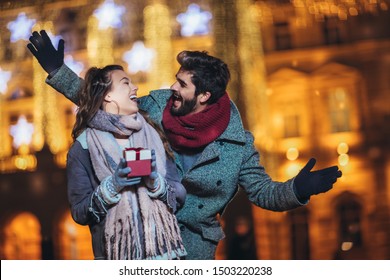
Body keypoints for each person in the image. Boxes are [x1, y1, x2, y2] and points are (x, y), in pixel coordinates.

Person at [27, 30, 342, 260]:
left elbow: (263, 192)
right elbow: (105, 103)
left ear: (203, 96)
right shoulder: (156, 107)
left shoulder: (237, 145)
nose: (172, 88)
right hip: (143, 238)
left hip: (192, 249)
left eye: (182, 84)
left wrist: (298, 190)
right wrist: (58, 71)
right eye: (176, 79)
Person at [60, 64, 186, 259]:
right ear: (107, 96)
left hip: (165, 256)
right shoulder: (83, 148)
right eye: (125, 83)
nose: (134, 87)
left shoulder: (153, 134)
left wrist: (156, 183)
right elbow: (79, 212)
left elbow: (179, 194)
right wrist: (112, 186)